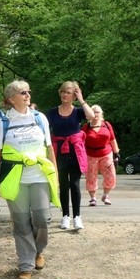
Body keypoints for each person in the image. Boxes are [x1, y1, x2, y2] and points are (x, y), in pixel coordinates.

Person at [0, 80, 59, 279]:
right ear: (11, 99)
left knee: (42, 218)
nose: (28, 95)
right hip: (15, 180)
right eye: (23, 92)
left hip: (39, 177)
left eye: (28, 91)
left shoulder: (40, 118)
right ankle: (26, 265)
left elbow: (49, 149)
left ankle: (39, 251)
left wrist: (54, 175)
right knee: (21, 223)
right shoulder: (3, 122)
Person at [46, 81, 94, 230]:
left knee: (74, 184)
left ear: (74, 95)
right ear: (60, 93)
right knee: (63, 184)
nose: (65, 95)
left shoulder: (78, 111)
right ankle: (65, 216)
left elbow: (91, 116)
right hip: (58, 151)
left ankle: (77, 217)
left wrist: (82, 99)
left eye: (68, 92)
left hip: (75, 151)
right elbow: (45, 131)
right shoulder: (52, 112)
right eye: (63, 92)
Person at [82, 105, 121, 206]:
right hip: (90, 155)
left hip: (106, 153)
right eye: (93, 112)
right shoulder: (86, 127)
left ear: (101, 114)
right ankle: (93, 198)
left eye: (97, 112)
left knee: (110, 175)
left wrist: (116, 152)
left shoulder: (106, 125)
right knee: (91, 177)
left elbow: (112, 139)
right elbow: (81, 142)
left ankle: (106, 195)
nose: (95, 114)